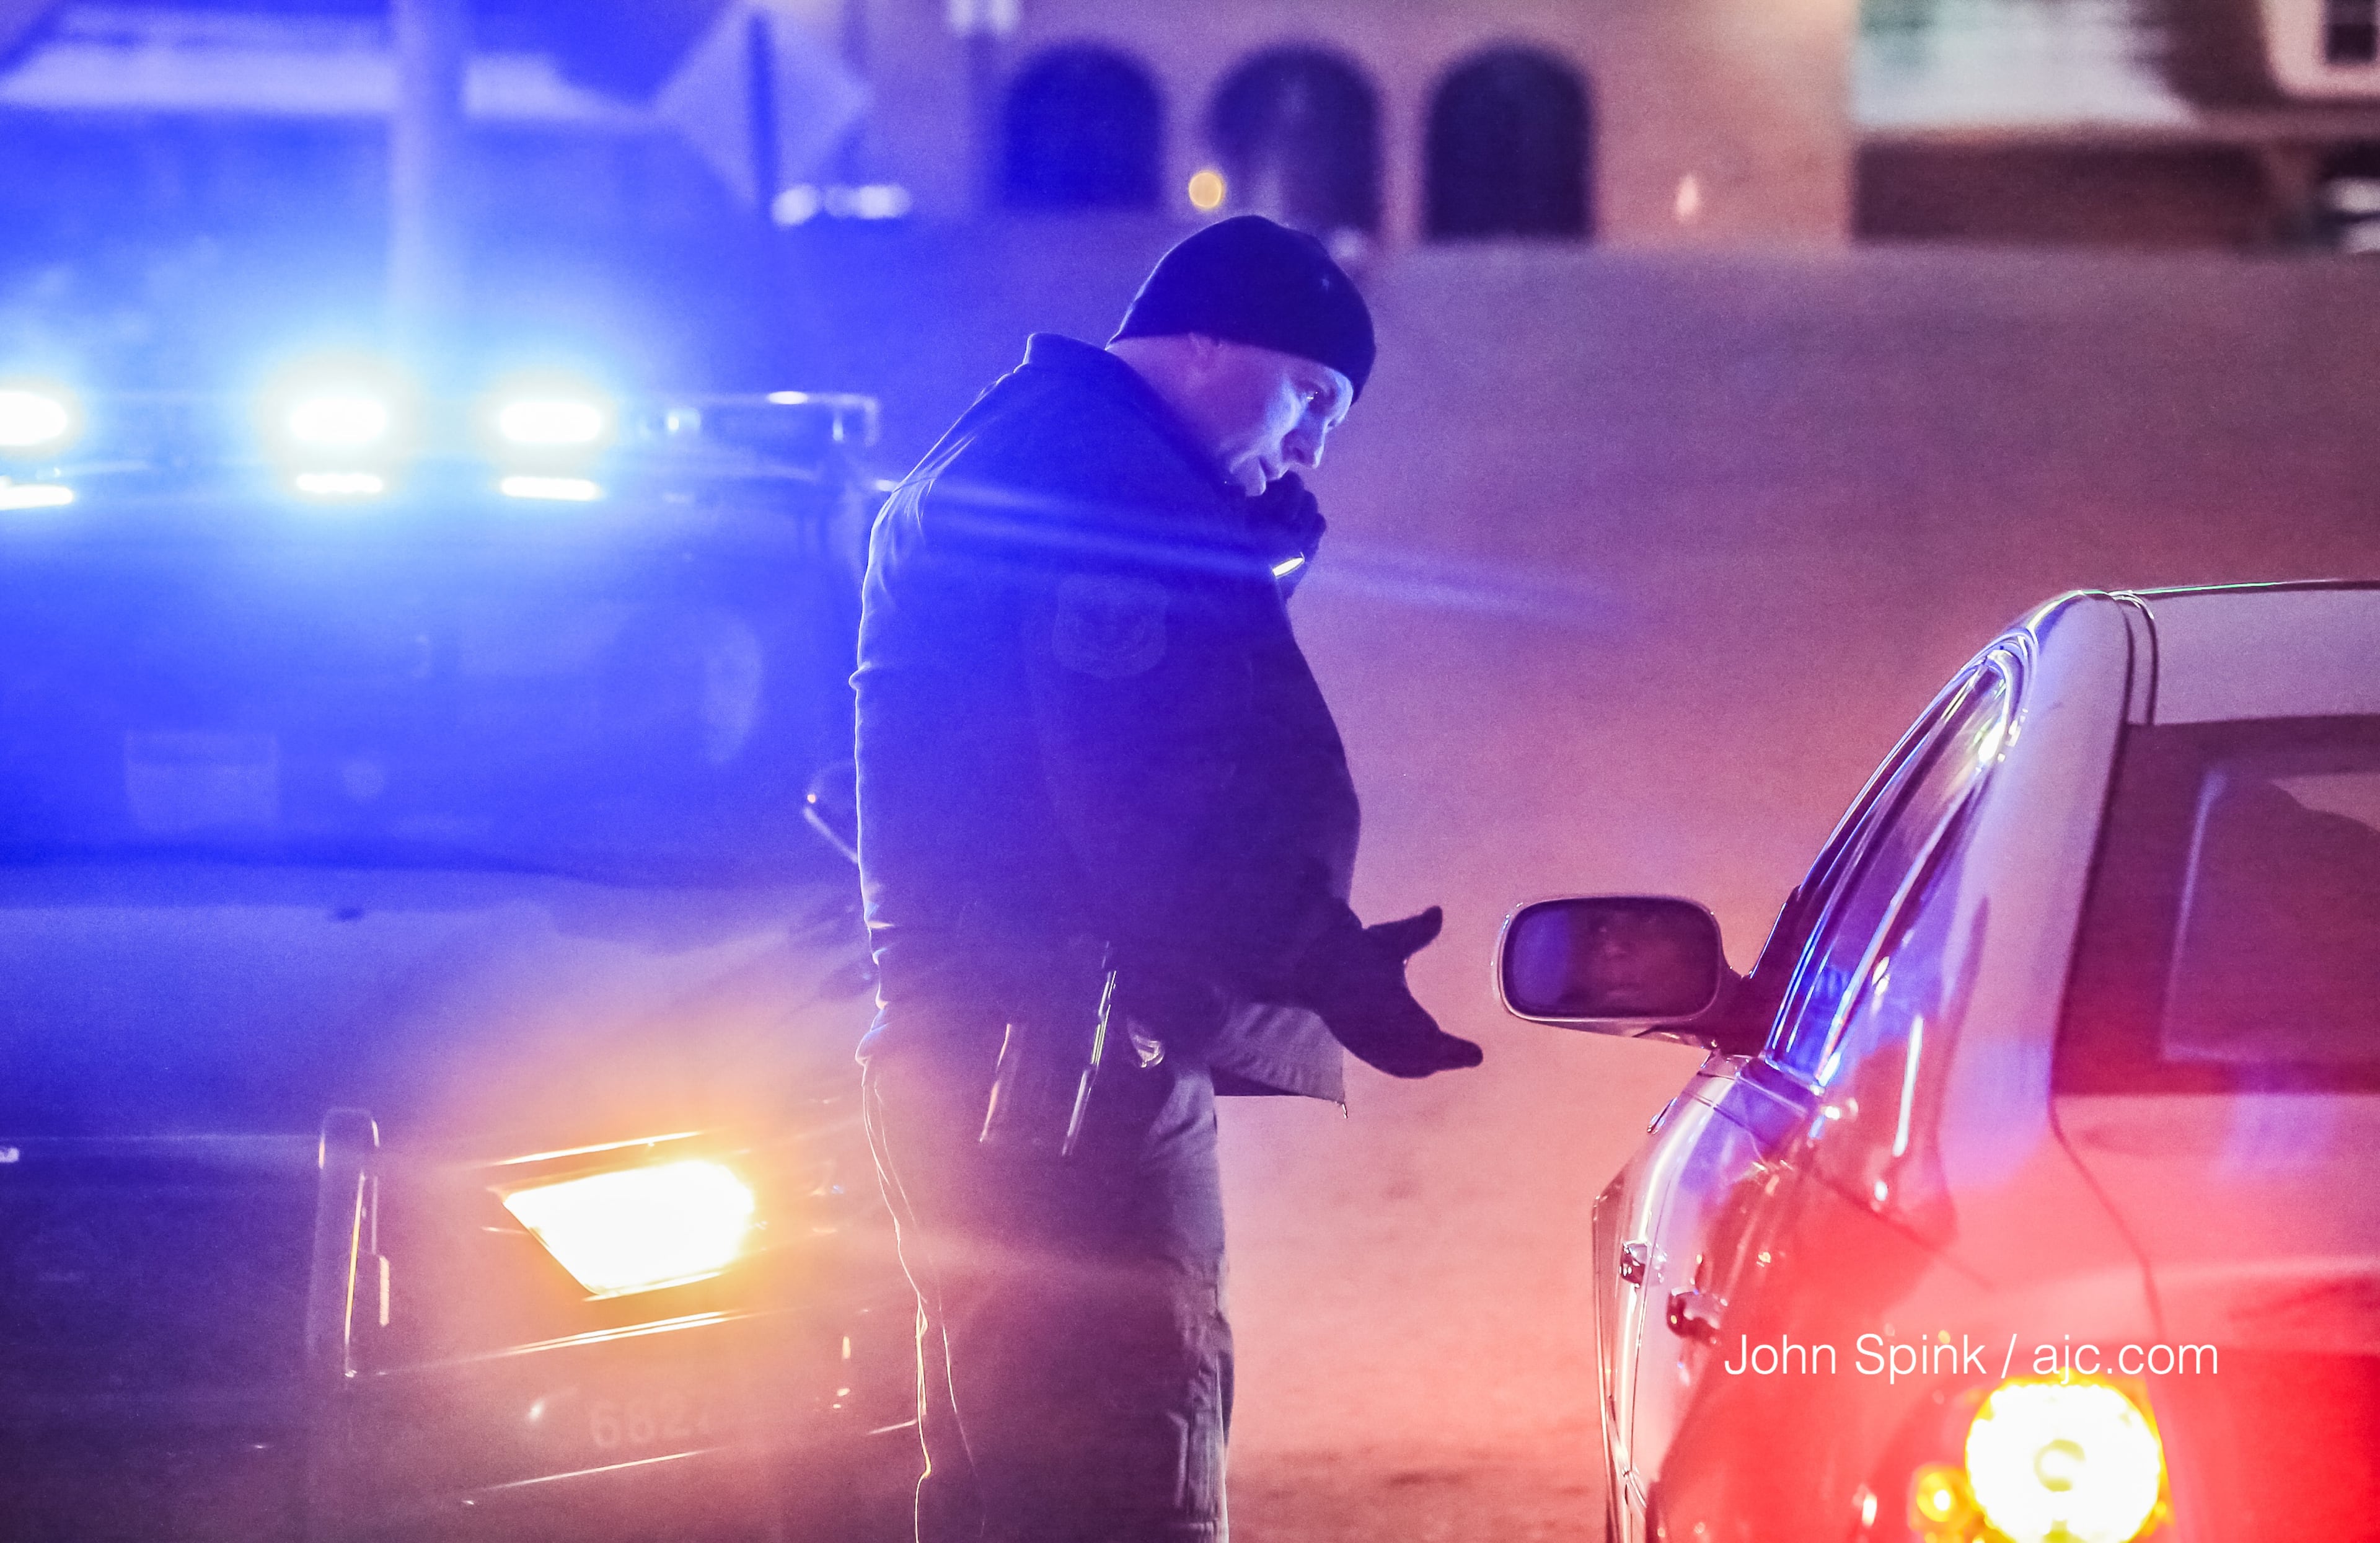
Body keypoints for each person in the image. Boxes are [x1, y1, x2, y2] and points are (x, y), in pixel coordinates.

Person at [850, 215, 1484, 1543]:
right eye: (1309, 396)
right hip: (1069, 1070)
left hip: (997, 1058)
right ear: (1205, 341)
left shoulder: (1039, 447)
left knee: (1008, 1489)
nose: (1312, 445)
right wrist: (1327, 962)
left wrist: (1243, 536)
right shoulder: (1105, 488)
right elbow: (1156, 798)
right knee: (1126, 1479)